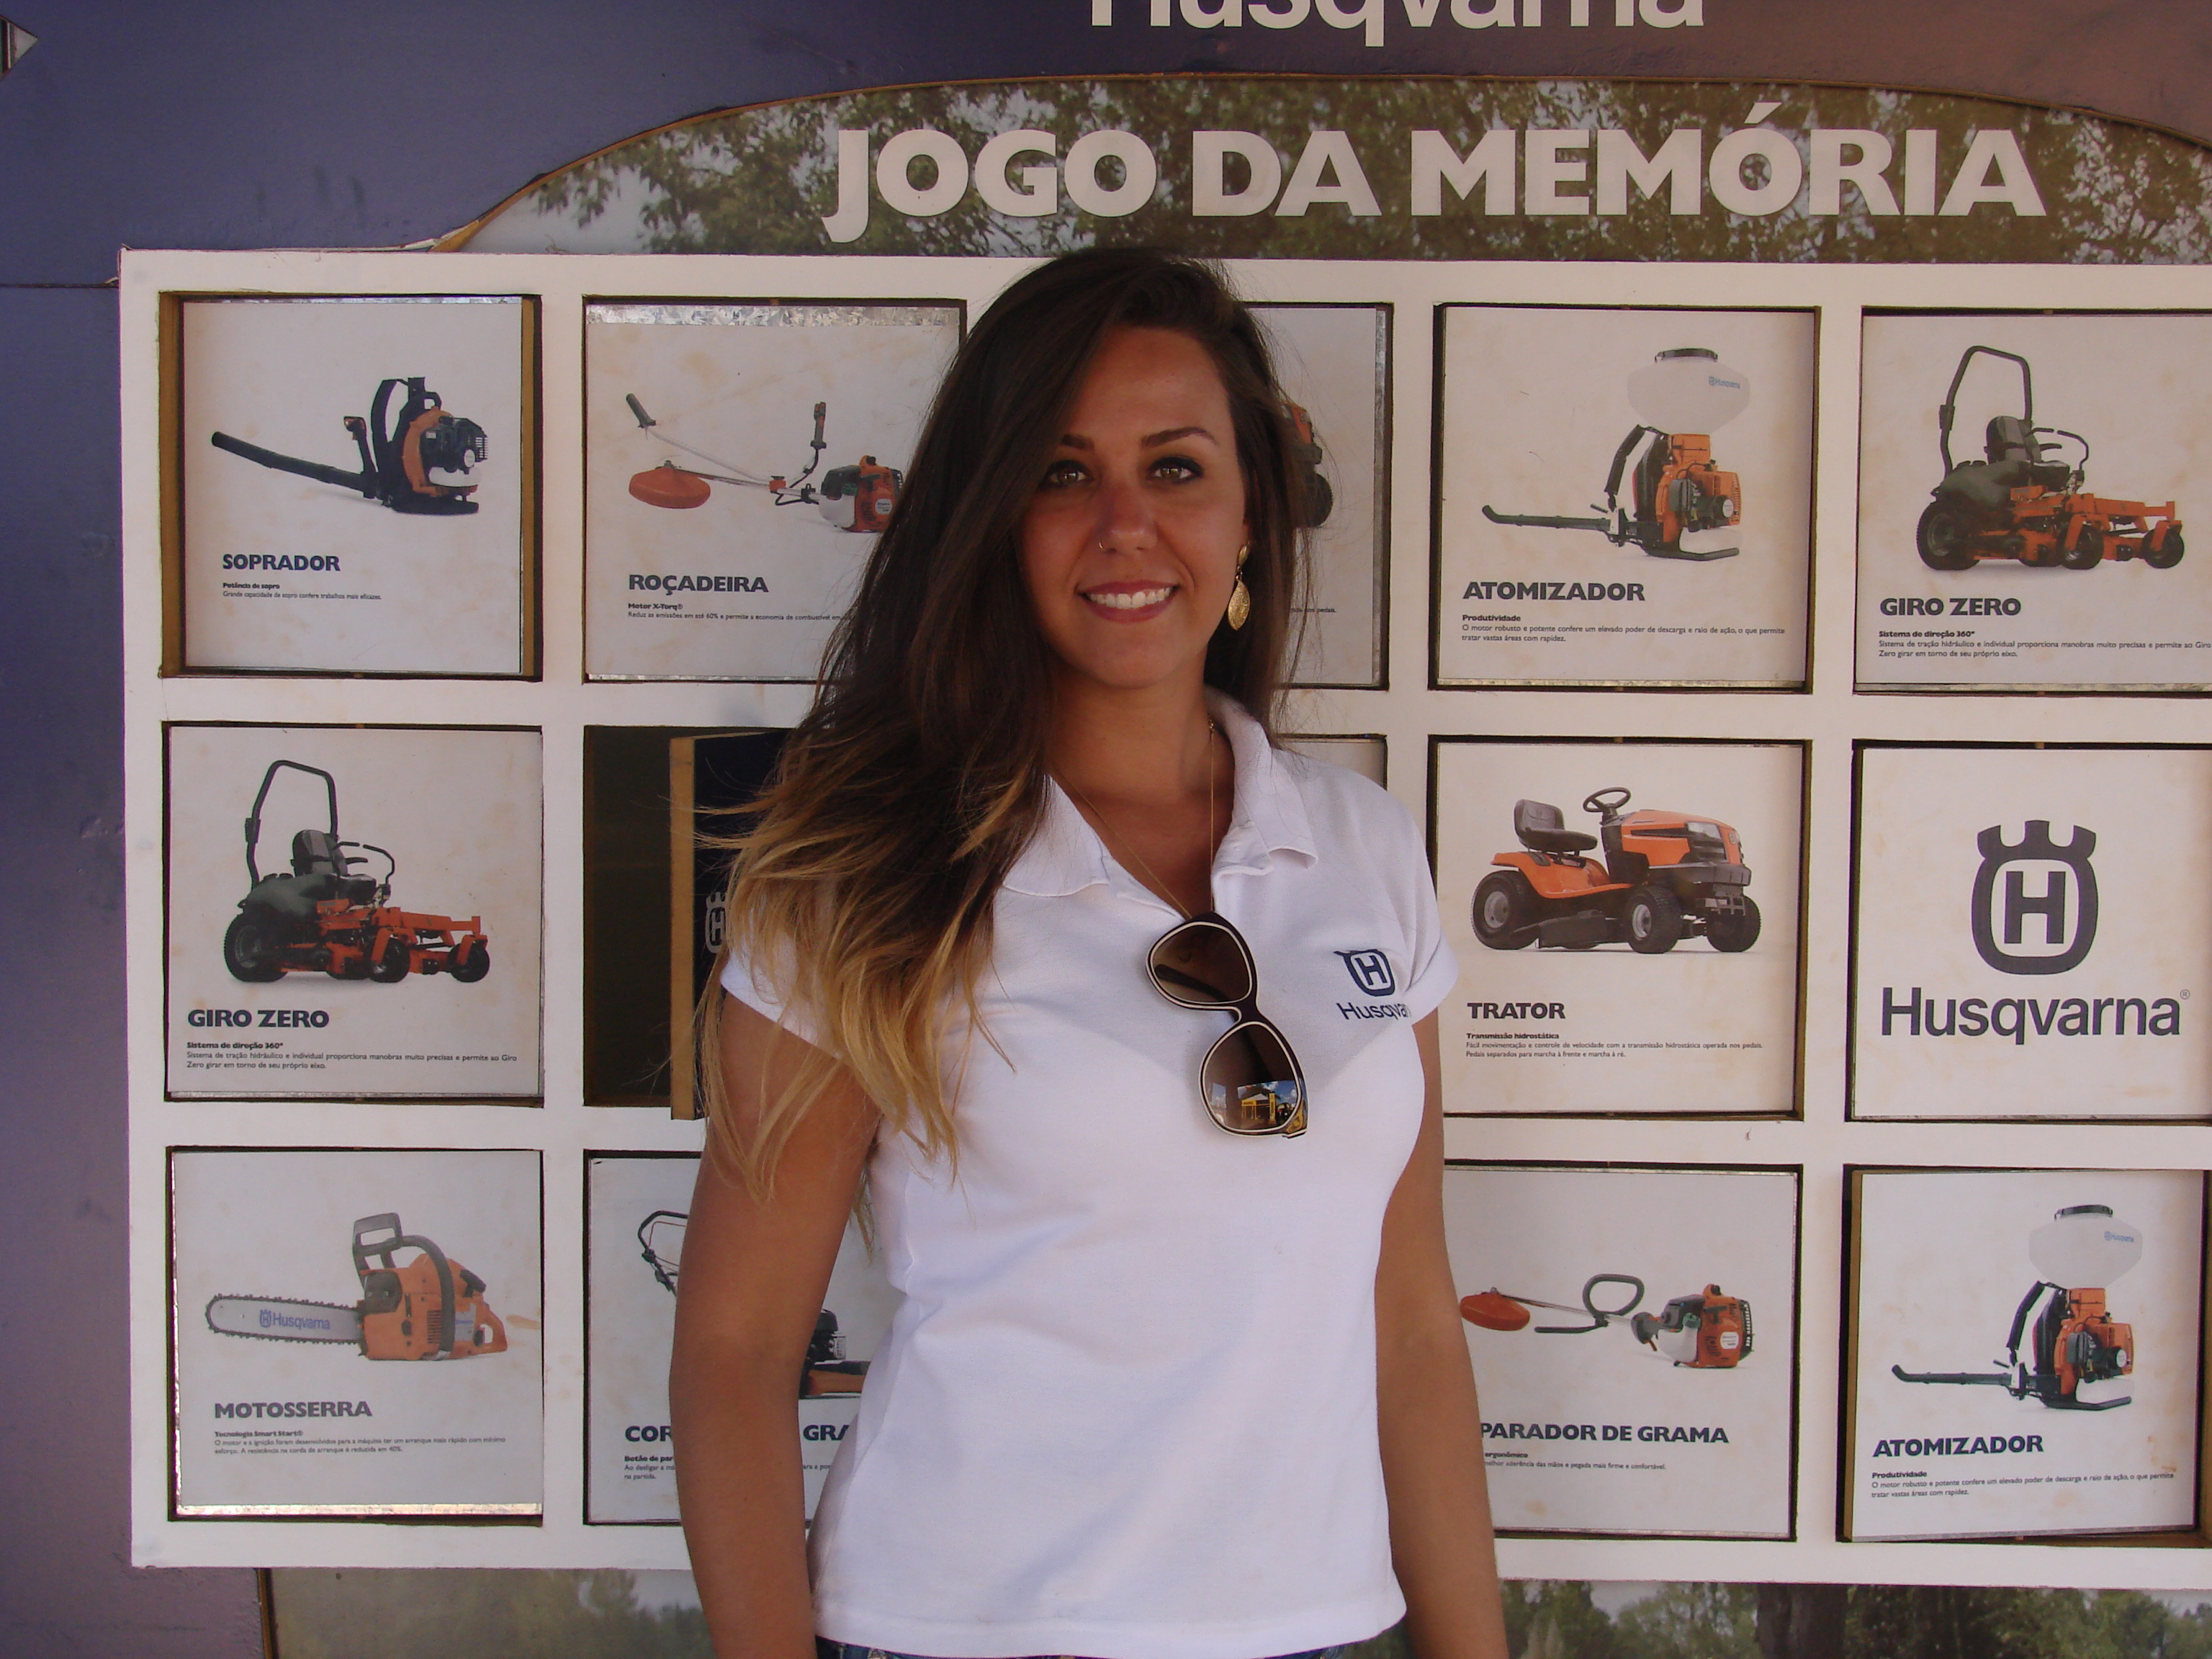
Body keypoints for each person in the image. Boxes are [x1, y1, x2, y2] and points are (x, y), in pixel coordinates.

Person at [670, 248, 1507, 1659]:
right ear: (993, 517)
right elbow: (734, 1352)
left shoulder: (1366, 848)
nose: (1127, 525)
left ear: (1251, 516)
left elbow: (1414, 1324)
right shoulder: (865, 870)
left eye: (1177, 468)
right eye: (1063, 474)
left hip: (1312, 1631)